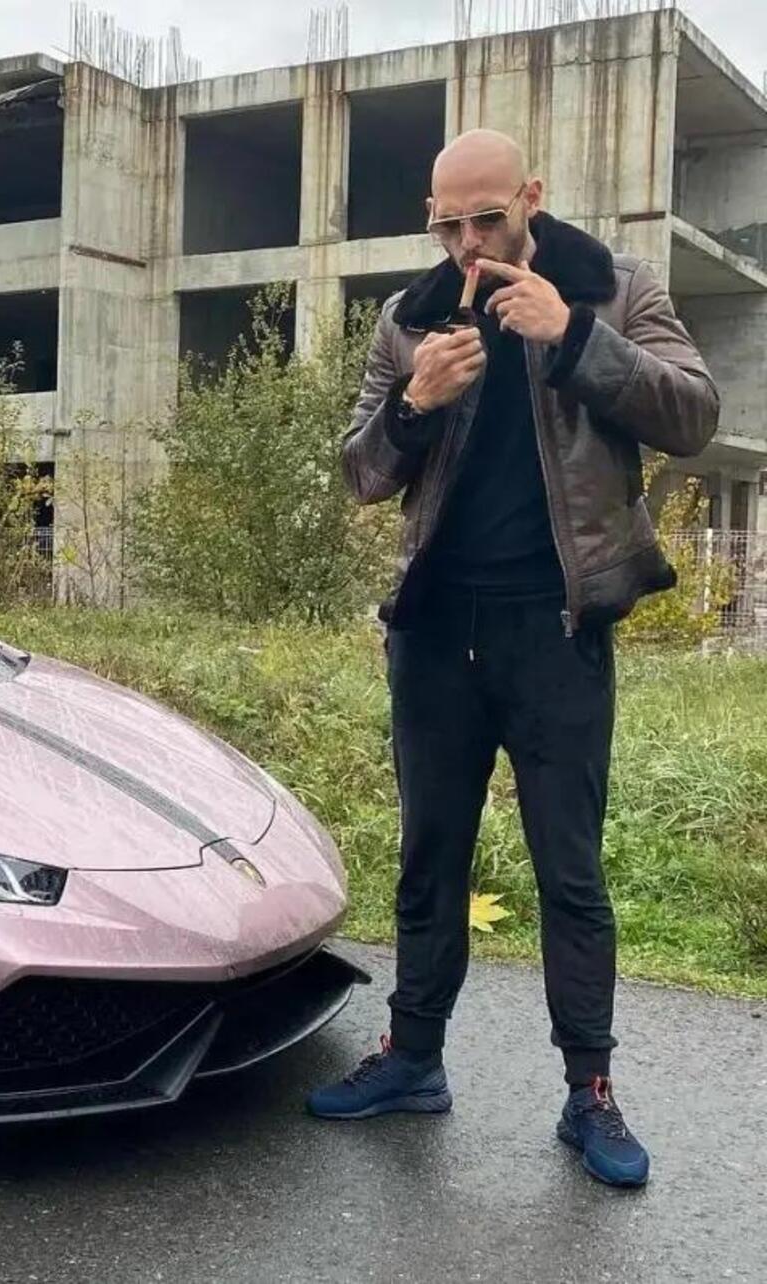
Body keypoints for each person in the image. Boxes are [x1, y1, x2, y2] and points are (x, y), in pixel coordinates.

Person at [308, 128, 719, 1189]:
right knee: (427, 859)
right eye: (445, 223)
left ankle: (588, 1093)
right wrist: (413, 406)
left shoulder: (612, 288)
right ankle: (411, 1060)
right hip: (438, 631)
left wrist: (574, 336)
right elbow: (357, 473)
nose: (466, 242)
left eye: (485, 217)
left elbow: (694, 416)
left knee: (568, 873)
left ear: (530, 196)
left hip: (557, 628)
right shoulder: (407, 318)